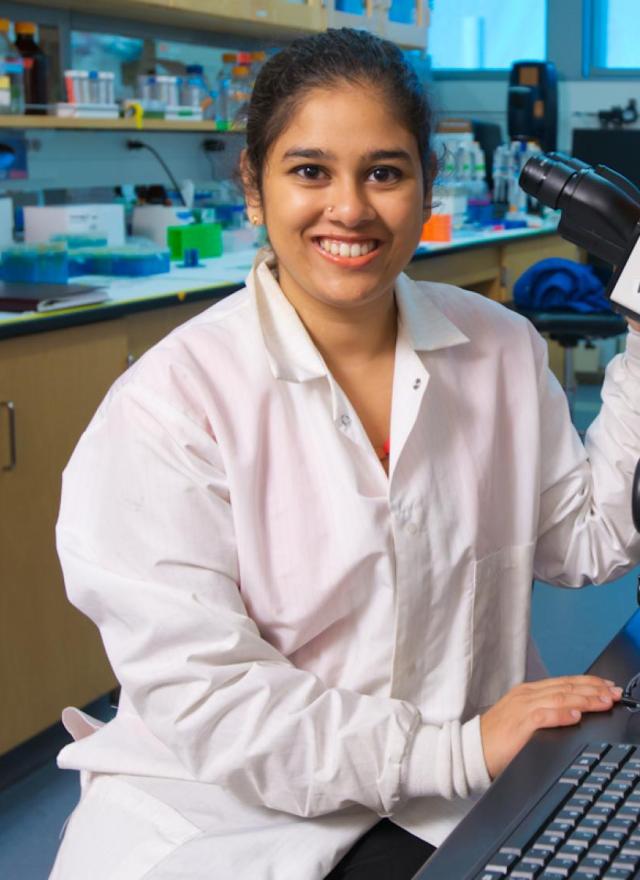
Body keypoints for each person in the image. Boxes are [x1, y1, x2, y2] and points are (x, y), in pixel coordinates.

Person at [50, 27, 640, 880]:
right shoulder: (170, 405)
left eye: (384, 173)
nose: (350, 208)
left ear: (426, 185)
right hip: (227, 822)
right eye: (310, 171)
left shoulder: (501, 348)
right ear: (254, 187)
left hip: (451, 803)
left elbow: (588, 542)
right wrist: (458, 751)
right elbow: (211, 695)